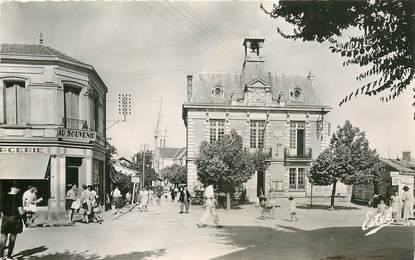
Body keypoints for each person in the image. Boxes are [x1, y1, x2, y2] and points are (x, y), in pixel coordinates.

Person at [0, 182, 24, 260]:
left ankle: (0, 256)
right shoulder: (17, 197)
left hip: (5, 218)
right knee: (12, 238)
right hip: (15, 219)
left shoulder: (3, 197)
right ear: (17, 189)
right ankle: (9, 256)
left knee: (3, 238)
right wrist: (27, 211)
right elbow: (21, 212)